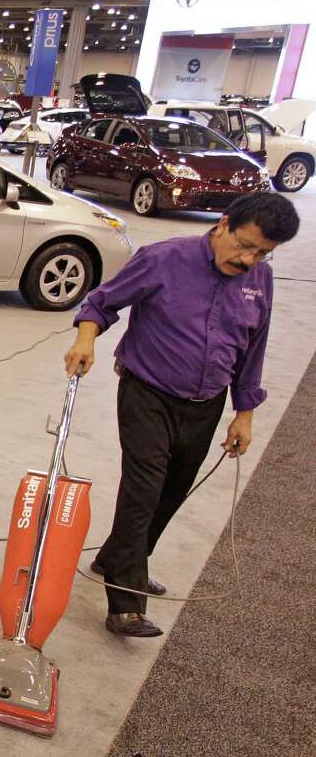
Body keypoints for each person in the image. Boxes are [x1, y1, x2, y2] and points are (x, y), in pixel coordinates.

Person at [63, 192, 299, 638]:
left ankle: (120, 559)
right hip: (147, 393)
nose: (249, 259)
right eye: (245, 245)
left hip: (204, 405)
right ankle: (125, 603)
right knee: (143, 492)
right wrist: (85, 340)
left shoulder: (260, 279)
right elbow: (102, 302)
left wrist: (244, 414)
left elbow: (253, 349)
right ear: (224, 223)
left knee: (172, 492)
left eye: (262, 253)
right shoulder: (164, 259)